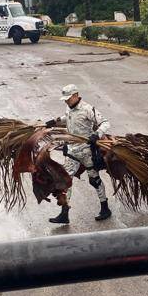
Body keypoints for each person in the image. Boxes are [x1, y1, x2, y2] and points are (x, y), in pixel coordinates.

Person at [44, 84, 112, 224]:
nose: (66, 101)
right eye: (65, 99)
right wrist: (55, 121)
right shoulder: (69, 108)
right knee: (65, 181)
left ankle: (105, 208)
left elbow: (105, 123)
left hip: (87, 152)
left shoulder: (87, 109)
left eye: (68, 98)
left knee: (94, 180)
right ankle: (64, 213)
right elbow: (67, 116)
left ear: (76, 95)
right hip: (72, 152)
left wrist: (96, 135)